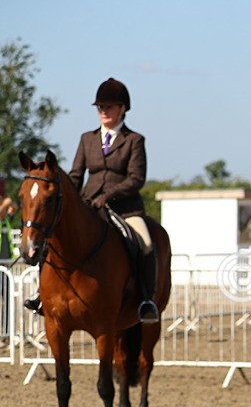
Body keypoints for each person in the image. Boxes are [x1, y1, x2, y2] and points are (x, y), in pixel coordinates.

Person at [25, 77, 158, 321]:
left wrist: (108, 195)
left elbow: (136, 178)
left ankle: (146, 299)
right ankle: (41, 293)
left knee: (146, 243)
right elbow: (76, 175)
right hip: (89, 205)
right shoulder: (87, 138)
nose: (103, 112)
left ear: (122, 109)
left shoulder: (134, 140)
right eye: (100, 108)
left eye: (109, 107)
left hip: (125, 208)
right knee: (54, 240)